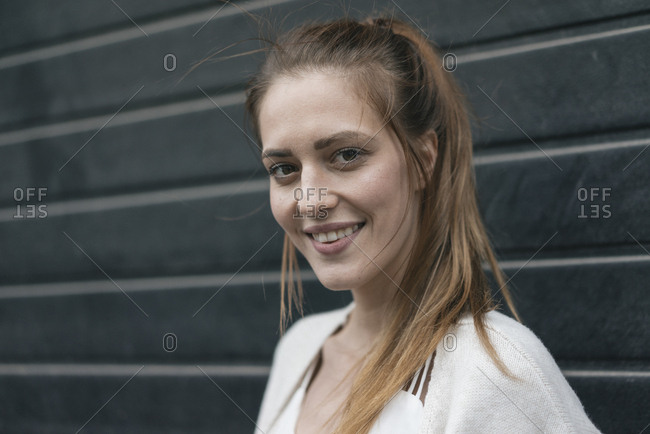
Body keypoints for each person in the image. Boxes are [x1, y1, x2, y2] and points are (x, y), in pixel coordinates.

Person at [245, 15, 601, 434]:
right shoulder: (300, 350)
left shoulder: (494, 371)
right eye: (284, 168)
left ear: (423, 160)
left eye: (346, 155)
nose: (310, 199)